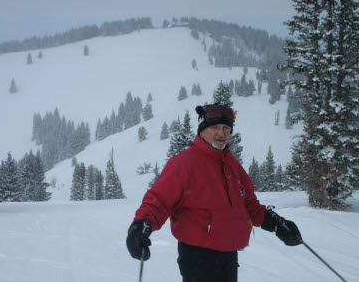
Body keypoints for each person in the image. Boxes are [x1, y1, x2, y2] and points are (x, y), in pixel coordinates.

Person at [126, 104, 302, 282]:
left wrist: (277, 224)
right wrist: (140, 227)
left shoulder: (232, 166)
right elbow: (159, 201)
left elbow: (249, 205)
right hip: (198, 257)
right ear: (202, 130)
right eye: (215, 128)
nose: (221, 133)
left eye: (226, 128)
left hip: (229, 256)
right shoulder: (184, 164)